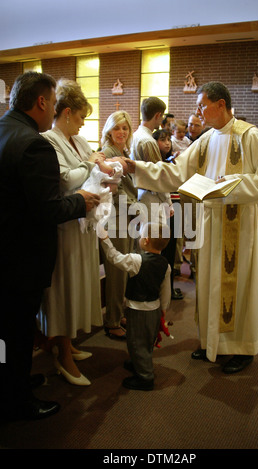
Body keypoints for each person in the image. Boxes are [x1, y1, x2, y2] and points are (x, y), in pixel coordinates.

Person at [125, 81, 258, 374]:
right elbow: (175, 173)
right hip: (210, 224)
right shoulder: (206, 141)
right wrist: (135, 167)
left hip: (239, 227)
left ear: (221, 105)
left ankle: (241, 348)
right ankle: (213, 342)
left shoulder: (248, 136)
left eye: (202, 105)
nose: (198, 111)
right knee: (209, 282)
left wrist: (231, 185)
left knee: (239, 285)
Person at [0, 72, 100, 420]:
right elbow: (47, 208)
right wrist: (82, 202)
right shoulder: (35, 142)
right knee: (17, 332)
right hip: (21, 257)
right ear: (42, 102)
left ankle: (14, 384)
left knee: (8, 332)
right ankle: (16, 402)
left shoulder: (3, 130)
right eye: (53, 102)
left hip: (5, 250)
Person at [38, 79, 114, 386]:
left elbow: (94, 167)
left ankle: (68, 343)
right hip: (64, 227)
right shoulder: (49, 139)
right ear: (67, 113)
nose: (84, 123)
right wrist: (91, 164)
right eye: (81, 117)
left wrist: (102, 169)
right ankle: (62, 354)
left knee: (80, 283)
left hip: (83, 221)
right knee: (64, 289)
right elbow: (65, 179)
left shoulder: (79, 140)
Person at [99, 222, 171, 391]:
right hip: (154, 310)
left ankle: (145, 377)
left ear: (145, 241)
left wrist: (105, 238)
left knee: (136, 342)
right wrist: (163, 310)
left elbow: (114, 257)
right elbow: (165, 291)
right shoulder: (165, 265)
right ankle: (138, 363)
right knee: (146, 340)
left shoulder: (137, 260)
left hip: (138, 311)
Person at [100, 110, 138, 339]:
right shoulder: (107, 153)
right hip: (115, 218)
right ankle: (112, 320)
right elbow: (117, 193)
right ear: (109, 131)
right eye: (117, 128)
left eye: (125, 128)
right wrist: (139, 210)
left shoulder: (122, 151)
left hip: (125, 217)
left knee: (123, 269)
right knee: (116, 271)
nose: (121, 132)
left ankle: (118, 311)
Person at [130, 96, 172, 224]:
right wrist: (168, 202)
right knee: (154, 239)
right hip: (151, 198)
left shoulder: (135, 135)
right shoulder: (148, 141)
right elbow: (158, 175)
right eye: (162, 116)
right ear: (158, 115)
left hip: (138, 194)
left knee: (144, 239)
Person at [153, 128, 183, 300]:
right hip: (163, 206)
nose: (167, 143)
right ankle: (160, 289)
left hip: (175, 204)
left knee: (172, 248)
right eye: (162, 139)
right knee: (161, 248)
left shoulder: (173, 161)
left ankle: (169, 288)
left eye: (168, 140)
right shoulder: (155, 162)